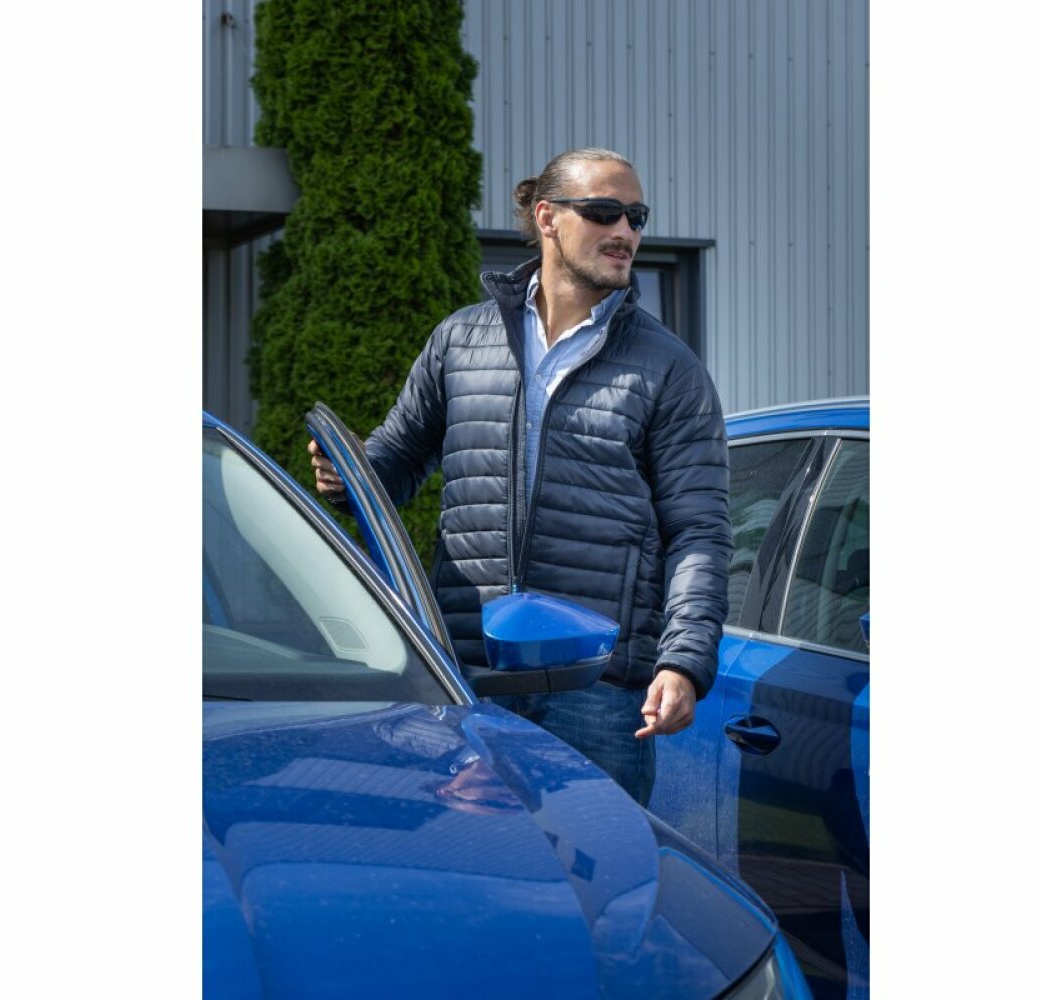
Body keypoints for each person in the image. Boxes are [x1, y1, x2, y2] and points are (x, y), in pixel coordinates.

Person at [309, 147, 730, 806]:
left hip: (596, 690)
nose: (626, 232)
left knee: (597, 864)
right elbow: (395, 463)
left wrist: (682, 661)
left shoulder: (669, 368)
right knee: (470, 858)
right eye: (605, 212)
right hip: (468, 677)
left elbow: (699, 532)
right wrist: (346, 476)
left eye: (637, 217)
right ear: (547, 217)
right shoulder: (460, 341)